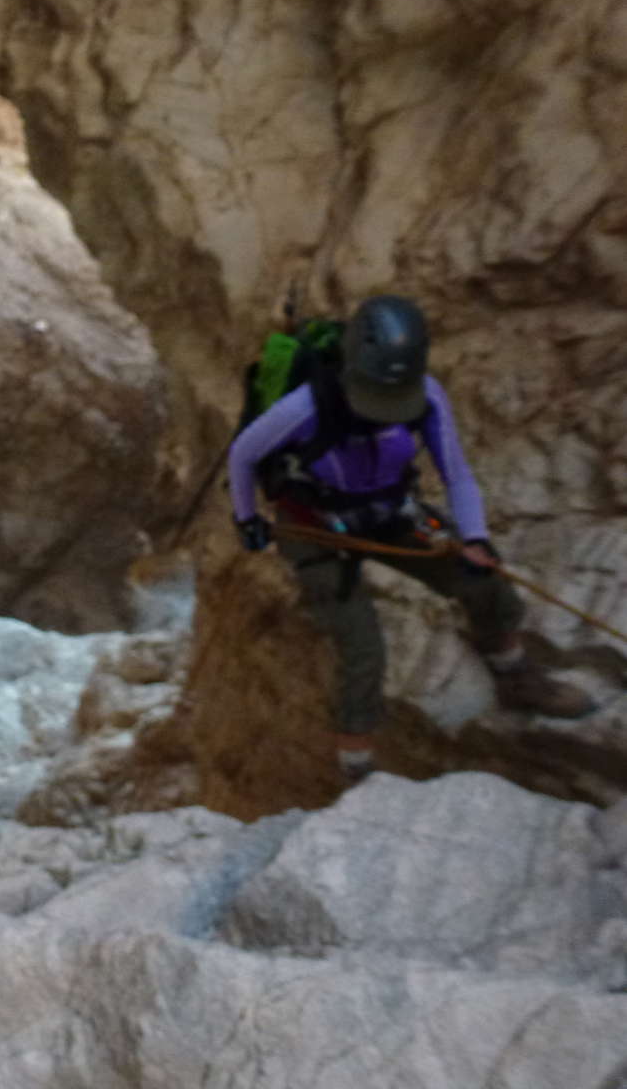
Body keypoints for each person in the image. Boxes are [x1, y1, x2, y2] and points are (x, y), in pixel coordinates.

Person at [228, 294, 594, 783]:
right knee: (363, 645)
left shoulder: (425, 395)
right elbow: (243, 454)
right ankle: (356, 765)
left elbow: (456, 473)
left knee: (483, 578)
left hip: (390, 512)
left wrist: (476, 538)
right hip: (314, 526)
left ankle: (515, 674)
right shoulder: (305, 406)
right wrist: (248, 519)